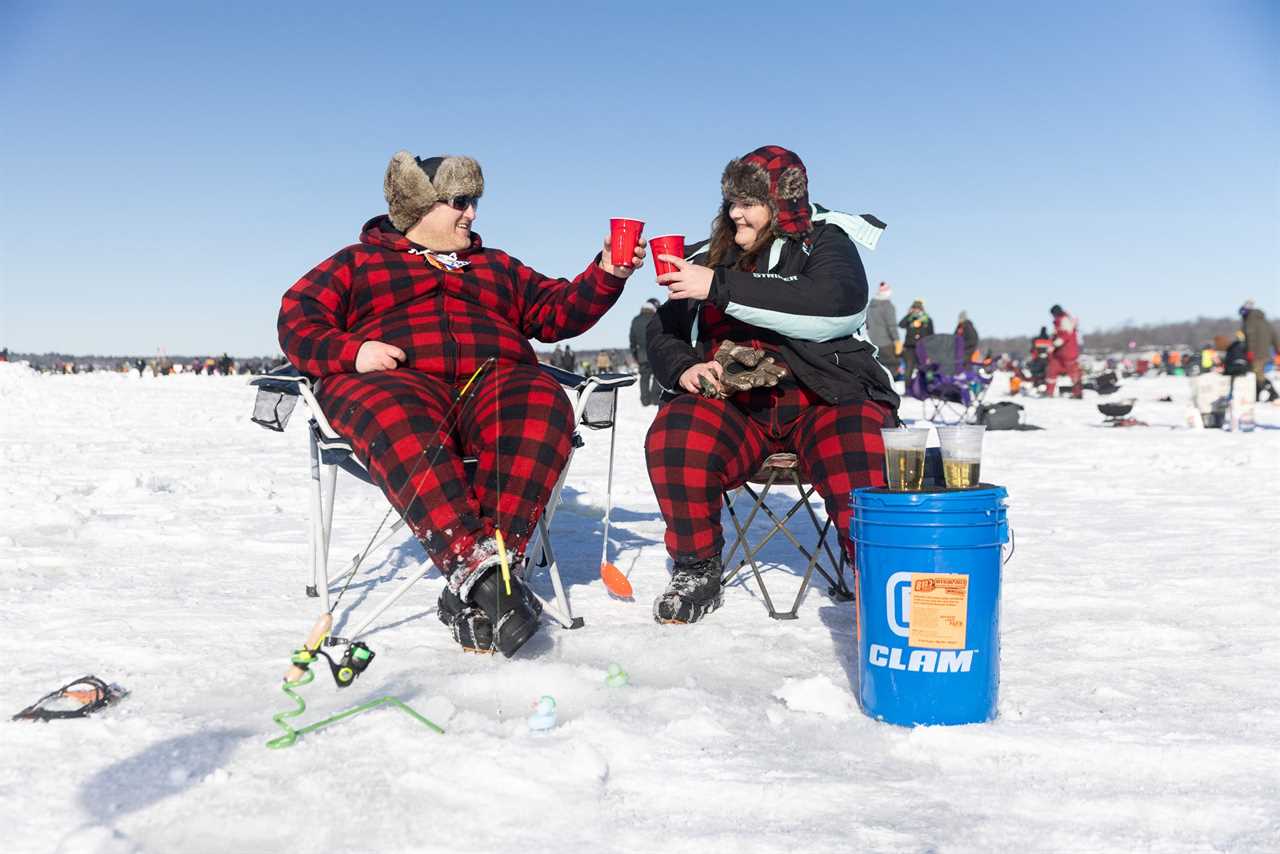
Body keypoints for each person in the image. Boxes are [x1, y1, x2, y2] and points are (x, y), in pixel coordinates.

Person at [277, 149, 644, 656]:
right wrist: (354, 351)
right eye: (459, 201)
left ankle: (484, 580)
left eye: (474, 201)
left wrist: (608, 272)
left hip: (492, 383)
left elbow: (556, 312)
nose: (471, 213)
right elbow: (297, 320)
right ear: (417, 207)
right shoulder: (357, 263)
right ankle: (482, 574)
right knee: (394, 409)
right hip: (396, 381)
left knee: (540, 399)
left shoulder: (495, 266)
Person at [644, 145, 899, 624]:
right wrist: (683, 368)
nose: (735, 212)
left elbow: (835, 305)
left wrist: (719, 288)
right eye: (731, 202)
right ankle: (696, 565)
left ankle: (878, 572)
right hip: (736, 409)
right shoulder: (708, 258)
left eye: (749, 202)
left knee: (860, 445)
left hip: (824, 397)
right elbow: (663, 329)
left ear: (781, 204)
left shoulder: (825, 243)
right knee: (677, 431)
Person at [1240, 300, 1279, 402]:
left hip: (1255, 354)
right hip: (1265, 354)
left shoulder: (1250, 322)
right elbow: (1275, 337)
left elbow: (1251, 338)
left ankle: (1273, 393)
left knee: (1258, 375)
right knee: (1257, 374)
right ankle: (1256, 396)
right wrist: (1278, 350)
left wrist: (1250, 352)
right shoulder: (1266, 322)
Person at [1045, 304, 1082, 398]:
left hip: (1068, 351)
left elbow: (1065, 335)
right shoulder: (1059, 321)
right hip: (1061, 352)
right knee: (1052, 370)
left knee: (1073, 373)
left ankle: (1077, 394)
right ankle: (1049, 393)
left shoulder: (1064, 320)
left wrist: (1054, 344)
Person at [630, 298, 661, 405]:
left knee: (644, 377)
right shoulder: (657, 318)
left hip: (642, 355)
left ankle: (645, 400)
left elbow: (632, 339)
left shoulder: (636, 320)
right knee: (658, 376)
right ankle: (655, 398)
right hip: (656, 353)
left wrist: (635, 355)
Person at [866, 282, 899, 378]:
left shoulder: (870, 306)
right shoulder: (888, 306)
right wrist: (897, 340)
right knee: (893, 365)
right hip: (886, 342)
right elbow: (892, 325)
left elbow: (866, 324)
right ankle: (890, 389)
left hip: (872, 341)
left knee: (878, 366)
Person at [898, 299, 933, 381]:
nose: (916, 310)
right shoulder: (909, 319)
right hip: (909, 348)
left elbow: (931, 335)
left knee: (924, 369)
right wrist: (908, 314)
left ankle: (924, 389)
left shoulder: (927, 320)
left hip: (923, 348)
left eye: (918, 308)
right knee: (908, 369)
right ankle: (907, 389)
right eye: (914, 308)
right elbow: (901, 325)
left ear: (922, 309)